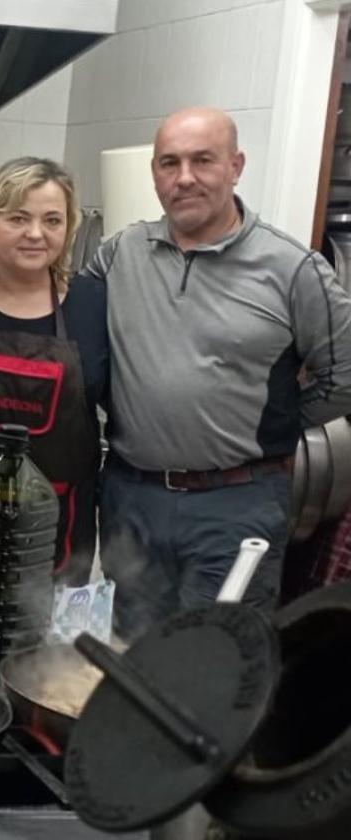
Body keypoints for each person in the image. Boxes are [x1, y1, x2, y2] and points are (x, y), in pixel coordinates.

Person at [82, 106, 351, 638]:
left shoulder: (292, 269)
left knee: (213, 665)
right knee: (128, 661)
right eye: (169, 163)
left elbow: (343, 375)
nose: (184, 178)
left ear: (236, 165)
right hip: (130, 500)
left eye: (202, 160)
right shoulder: (119, 255)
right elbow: (70, 330)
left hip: (236, 507)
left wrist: (274, 425)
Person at [0, 157, 107, 586]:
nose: (35, 233)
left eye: (52, 220)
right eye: (18, 218)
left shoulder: (93, 304)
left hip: (58, 536)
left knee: (48, 653)